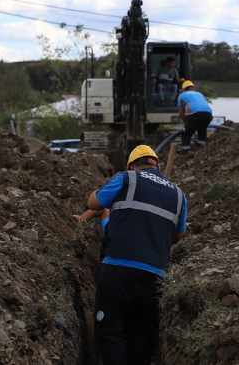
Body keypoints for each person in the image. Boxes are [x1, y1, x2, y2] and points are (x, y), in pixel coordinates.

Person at [76, 145, 187, 365]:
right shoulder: (179, 194)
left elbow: (94, 203)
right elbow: (177, 237)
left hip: (118, 269)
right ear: (155, 164)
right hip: (154, 276)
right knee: (141, 335)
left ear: (133, 166)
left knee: (112, 331)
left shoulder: (126, 178)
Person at [177, 80, 213, 154]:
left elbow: (181, 113)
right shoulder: (200, 94)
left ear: (183, 90)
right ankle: (200, 148)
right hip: (208, 114)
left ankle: (185, 152)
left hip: (195, 114)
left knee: (186, 133)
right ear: (192, 88)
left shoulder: (182, 95)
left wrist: (186, 124)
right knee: (202, 130)